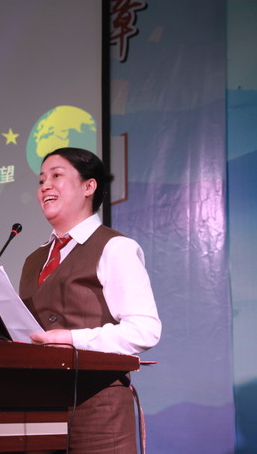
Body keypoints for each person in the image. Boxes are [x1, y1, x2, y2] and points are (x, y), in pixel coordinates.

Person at [19, 147, 161, 454]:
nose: (45, 186)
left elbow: (144, 331)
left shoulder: (115, 247)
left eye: (56, 176)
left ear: (89, 186)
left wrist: (71, 339)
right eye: (41, 180)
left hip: (98, 406)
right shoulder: (33, 260)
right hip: (37, 406)